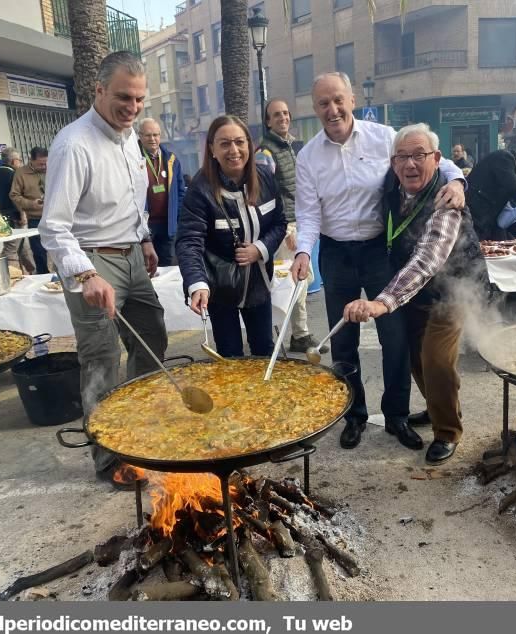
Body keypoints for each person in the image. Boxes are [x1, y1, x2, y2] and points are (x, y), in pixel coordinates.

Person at [291, 71, 466, 452]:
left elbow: (435, 159)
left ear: (351, 99)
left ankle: (397, 416)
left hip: (378, 249)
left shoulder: (384, 136)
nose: (332, 109)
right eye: (323, 103)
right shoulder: (307, 156)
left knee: (395, 338)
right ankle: (353, 416)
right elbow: (307, 213)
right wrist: (304, 251)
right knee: (343, 341)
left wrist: (457, 182)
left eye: (338, 100)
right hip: (335, 252)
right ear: (315, 108)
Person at [39, 51, 168, 487]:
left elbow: (132, 202)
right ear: (98, 91)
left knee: (153, 335)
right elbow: (53, 228)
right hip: (91, 258)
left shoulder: (130, 137)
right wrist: (84, 274)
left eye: (138, 99)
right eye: (123, 98)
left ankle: (141, 433)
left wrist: (146, 239)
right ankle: (109, 459)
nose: (132, 108)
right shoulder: (73, 144)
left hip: (132, 252)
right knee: (101, 359)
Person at [343, 123, 487, 465]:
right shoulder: (391, 188)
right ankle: (440, 404)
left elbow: (427, 260)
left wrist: (382, 302)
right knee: (412, 357)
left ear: (436, 159)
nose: (410, 164)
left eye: (419, 155)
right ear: (393, 163)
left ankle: (448, 430)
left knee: (436, 358)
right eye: (403, 157)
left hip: (454, 291)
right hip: (414, 293)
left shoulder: (447, 201)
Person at [177, 115, 286, 358]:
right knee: (230, 355)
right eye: (225, 143)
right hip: (220, 287)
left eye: (239, 142)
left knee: (264, 351)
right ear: (212, 149)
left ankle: (265, 397)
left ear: (250, 145)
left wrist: (260, 248)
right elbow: (189, 241)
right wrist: (197, 283)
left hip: (259, 283)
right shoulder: (200, 188)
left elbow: (280, 223)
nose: (234, 150)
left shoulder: (266, 176)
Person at [254, 98, 318, 353]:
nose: (283, 118)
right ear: (268, 121)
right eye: (276, 115)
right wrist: (285, 229)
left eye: (285, 113)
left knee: (300, 282)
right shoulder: (265, 153)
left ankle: (297, 334)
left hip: (297, 222)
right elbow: (265, 195)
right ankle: (291, 336)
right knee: (290, 283)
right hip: (286, 227)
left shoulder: (290, 145)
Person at [138, 118, 184, 266]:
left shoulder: (171, 160)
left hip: (168, 225)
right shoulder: (133, 159)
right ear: (140, 136)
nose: (153, 139)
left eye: (156, 135)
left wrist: (178, 220)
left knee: (168, 267)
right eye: (148, 135)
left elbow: (180, 192)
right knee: (148, 267)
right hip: (144, 226)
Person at [0, 146, 35, 274]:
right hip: (14, 218)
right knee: (11, 249)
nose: (21, 163)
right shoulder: (14, 175)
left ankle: (34, 272)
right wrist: (23, 215)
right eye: (20, 160)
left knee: (24, 247)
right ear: (13, 162)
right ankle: (4, 275)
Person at [465, 147, 516, 240]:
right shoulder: (505, 157)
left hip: (484, 212)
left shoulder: (504, 160)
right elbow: (511, 185)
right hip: (477, 208)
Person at [10, 146, 49, 273]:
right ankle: (44, 278)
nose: (44, 167)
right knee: (39, 253)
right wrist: (31, 204)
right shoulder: (21, 173)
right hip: (35, 219)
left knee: (62, 249)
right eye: (40, 164)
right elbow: (14, 195)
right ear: (31, 160)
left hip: (56, 217)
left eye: (46, 163)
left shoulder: (54, 169)